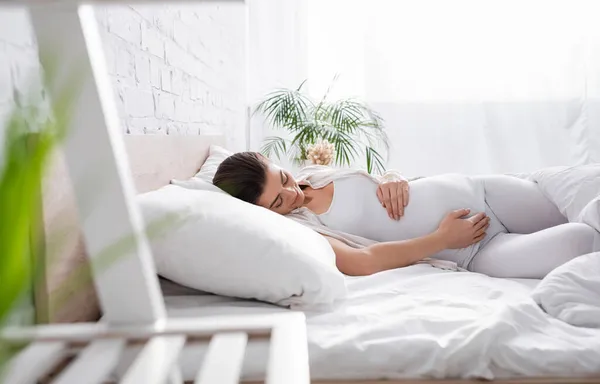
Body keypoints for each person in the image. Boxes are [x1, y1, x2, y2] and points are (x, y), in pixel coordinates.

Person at [213, 152, 596, 279]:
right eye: (278, 201)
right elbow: (363, 261)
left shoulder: (313, 174)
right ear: (260, 213)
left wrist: (392, 178)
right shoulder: (302, 231)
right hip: (475, 249)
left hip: (482, 191)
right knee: (581, 241)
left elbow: (379, 185)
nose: (293, 192)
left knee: (584, 203)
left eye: (283, 178)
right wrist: (443, 240)